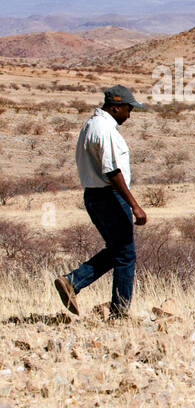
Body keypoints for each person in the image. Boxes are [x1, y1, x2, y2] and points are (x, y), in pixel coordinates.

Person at [54, 86, 148, 319]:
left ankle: (71, 282)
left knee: (118, 251)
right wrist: (134, 205)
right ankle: (119, 313)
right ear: (116, 107)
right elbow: (112, 171)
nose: (129, 114)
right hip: (109, 196)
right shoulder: (105, 129)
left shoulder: (90, 125)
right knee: (125, 256)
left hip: (93, 195)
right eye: (128, 109)